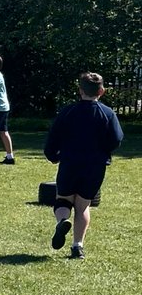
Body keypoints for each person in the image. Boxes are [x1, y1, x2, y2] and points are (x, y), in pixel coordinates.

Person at [44, 71, 123, 259]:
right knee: (83, 205)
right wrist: (104, 151)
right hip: (94, 165)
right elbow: (117, 139)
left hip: (70, 161)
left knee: (63, 199)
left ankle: (62, 220)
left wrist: (52, 155)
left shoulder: (68, 111)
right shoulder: (107, 113)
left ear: (80, 91)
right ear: (102, 91)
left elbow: (54, 135)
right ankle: (77, 246)